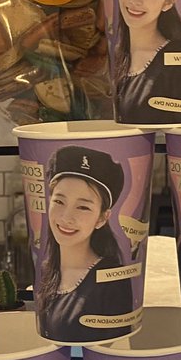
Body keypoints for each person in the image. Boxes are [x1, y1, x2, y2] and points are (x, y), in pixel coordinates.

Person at [35, 145, 133, 342]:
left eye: (83, 207)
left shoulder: (111, 281)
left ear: (102, 218)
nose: (66, 217)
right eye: (59, 201)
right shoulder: (46, 270)